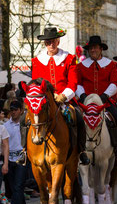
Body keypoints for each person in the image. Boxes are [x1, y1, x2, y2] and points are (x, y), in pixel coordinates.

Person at [17, 26, 89, 165]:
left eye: (53, 41)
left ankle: (81, 152)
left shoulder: (69, 58)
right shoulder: (37, 61)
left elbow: (73, 82)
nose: (51, 44)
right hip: (43, 101)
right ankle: (24, 151)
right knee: (23, 120)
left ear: (58, 41)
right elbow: (34, 84)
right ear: (45, 43)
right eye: (48, 42)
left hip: (64, 100)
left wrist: (63, 96)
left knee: (79, 117)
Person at [76, 35, 117, 159]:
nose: (93, 50)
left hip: (105, 103)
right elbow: (77, 84)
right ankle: (78, 149)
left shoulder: (111, 65)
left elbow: (114, 83)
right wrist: (82, 96)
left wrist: (105, 95)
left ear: (100, 49)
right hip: (86, 104)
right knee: (75, 120)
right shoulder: (81, 66)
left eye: (96, 48)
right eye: (91, 48)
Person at [4, 100, 28, 204]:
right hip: (9, 159)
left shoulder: (25, 125)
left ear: (21, 111)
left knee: (18, 185)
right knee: (14, 188)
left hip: (22, 158)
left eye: (15, 110)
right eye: (11, 110)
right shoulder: (5, 126)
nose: (13, 112)